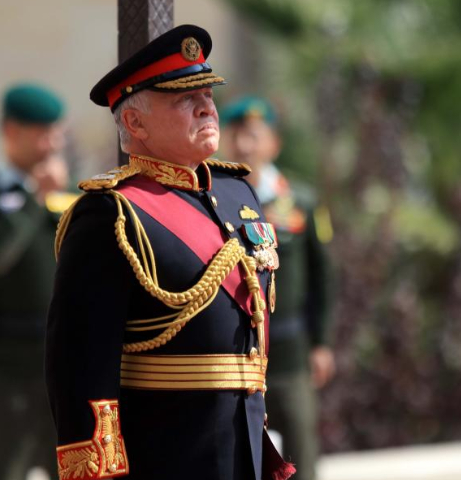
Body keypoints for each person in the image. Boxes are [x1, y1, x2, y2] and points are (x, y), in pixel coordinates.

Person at [45, 25, 294, 480]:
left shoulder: (238, 193)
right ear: (135, 123)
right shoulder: (111, 215)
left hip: (246, 453)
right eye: (185, 98)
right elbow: (80, 369)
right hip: (167, 457)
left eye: (207, 93)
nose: (206, 106)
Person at [219, 97, 334, 480]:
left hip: (290, 350)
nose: (245, 145)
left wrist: (321, 342)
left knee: (302, 453)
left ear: (274, 143)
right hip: (236, 350)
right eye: (236, 136)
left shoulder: (300, 201)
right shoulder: (215, 199)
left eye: (254, 136)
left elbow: (323, 278)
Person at [0, 83, 67, 480]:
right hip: (10, 366)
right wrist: (33, 201)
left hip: (60, 364)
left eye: (56, 131)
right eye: (42, 133)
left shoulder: (67, 190)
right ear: (12, 131)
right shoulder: (13, 194)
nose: (52, 143)